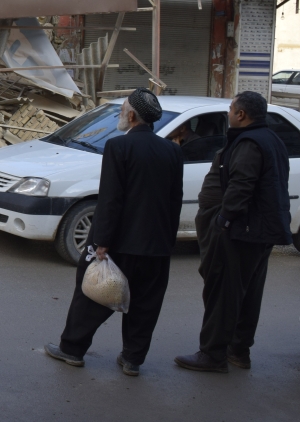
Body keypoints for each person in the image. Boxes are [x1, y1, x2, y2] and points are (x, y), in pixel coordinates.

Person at [45, 88, 183, 376]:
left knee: (91, 296)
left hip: (121, 242)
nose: (121, 114)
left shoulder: (119, 147)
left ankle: (72, 350)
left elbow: (111, 199)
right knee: (146, 305)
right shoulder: (171, 150)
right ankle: (133, 359)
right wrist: (167, 241)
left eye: (122, 110)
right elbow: (174, 200)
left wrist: (101, 243)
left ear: (131, 116)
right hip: (156, 246)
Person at [175, 91, 292, 373]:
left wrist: (223, 220)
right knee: (247, 291)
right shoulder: (271, 139)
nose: (228, 114)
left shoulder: (250, 143)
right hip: (257, 231)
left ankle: (212, 354)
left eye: (230, 109)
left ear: (241, 114)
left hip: (241, 231)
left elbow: (242, 185)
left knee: (222, 292)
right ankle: (238, 351)